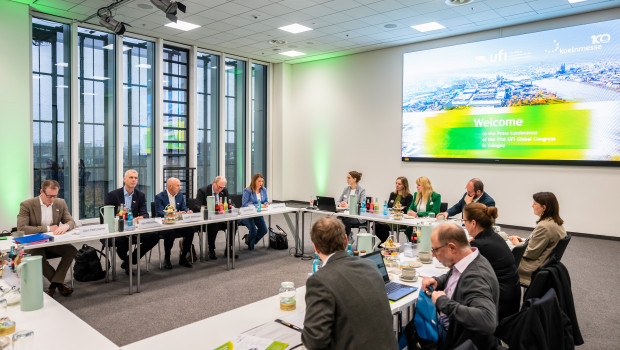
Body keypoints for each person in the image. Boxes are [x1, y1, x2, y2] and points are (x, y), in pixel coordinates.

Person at [302, 217, 397, 350]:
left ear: (316, 248)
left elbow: (314, 342)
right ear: (346, 240)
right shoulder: (371, 266)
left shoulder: (319, 281)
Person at [421, 223, 500, 349]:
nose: (433, 255)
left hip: (460, 341)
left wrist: (443, 303)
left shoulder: (475, 277)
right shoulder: (468, 259)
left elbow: (488, 321)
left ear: (452, 248)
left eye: (435, 250)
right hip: (454, 332)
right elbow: (454, 276)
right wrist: (438, 281)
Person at [17, 180, 77, 297]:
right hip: (35, 243)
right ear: (41, 192)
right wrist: (48, 228)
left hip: (52, 242)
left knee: (71, 250)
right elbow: (22, 228)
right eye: (49, 196)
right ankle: (59, 284)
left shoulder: (60, 203)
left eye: (55, 196)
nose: (52, 199)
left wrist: (66, 225)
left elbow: (71, 221)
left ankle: (54, 284)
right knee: (37, 256)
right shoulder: (27, 205)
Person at [463, 203, 520, 320]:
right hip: (510, 299)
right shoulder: (494, 236)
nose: (464, 224)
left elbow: (458, 266)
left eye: (465, 221)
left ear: (473, 223)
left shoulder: (479, 245)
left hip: (497, 306)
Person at [103, 170, 159, 275]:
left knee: (154, 236)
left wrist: (142, 217)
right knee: (122, 241)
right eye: (131, 177)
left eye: (135, 178)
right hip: (118, 230)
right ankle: (128, 262)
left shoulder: (140, 195)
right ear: (124, 179)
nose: (133, 180)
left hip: (134, 229)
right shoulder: (113, 195)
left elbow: (145, 213)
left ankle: (130, 260)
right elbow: (108, 217)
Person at [509, 192, 567, 286]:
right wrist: (524, 242)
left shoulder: (544, 227)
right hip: (546, 263)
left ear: (544, 207)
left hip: (533, 267)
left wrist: (516, 244)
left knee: (500, 261)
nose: (532, 206)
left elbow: (530, 253)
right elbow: (541, 244)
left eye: (535, 204)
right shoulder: (555, 222)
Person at [154, 177, 195, 269]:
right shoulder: (159, 197)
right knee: (170, 232)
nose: (180, 188)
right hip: (164, 225)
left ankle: (183, 257)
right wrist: (175, 213)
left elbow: (184, 208)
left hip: (177, 224)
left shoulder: (179, 195)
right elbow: (160, 213)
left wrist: (187, 211)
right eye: (178, 185)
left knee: (190, 230)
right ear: (170, 186)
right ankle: (167, 258)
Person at [195, 176, 236, 259]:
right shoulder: (203, 191)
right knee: (214, 224)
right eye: (218, 187)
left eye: (222, 187)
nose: (220, 189)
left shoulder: (224, 190)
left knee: (233, 223)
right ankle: (211, 249)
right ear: (214, 183)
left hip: (222, 218)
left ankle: (229, 249)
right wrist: (206, 207)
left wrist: (231, 207)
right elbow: (196, 206)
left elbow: (231, 203)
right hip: (208, 220)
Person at [375, 176, 413, 243]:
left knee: (383, 227)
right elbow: (388, 206)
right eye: (396, 183)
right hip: (390, 217)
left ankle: (386, 242)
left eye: (399, 184)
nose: (397, 185)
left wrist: (398, 211)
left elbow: (407, 210)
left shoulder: (409, 196)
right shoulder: (393, 194)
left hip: (400, 219)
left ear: (404, 185)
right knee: (375, 225)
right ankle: (385, 241)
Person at [405, 176, 441, 241]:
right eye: (417, 185)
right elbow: (411, 207)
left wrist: (417, 214)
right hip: (416, 222)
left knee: (414, 230)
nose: (416, 187)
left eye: (419, 185)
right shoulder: (416, 194)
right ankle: (414, 247)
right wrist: (409, 211)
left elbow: (434, 212)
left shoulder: (436, 196)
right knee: (409, 230)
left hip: (428, 223)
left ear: (425, 186)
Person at [240, 173, 269, 250]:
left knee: (264, 230)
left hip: (257, 213)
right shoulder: (248, 190)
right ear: (254, 181)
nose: (261, 183)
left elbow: (266, 200)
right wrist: (258, 205)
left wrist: (266, 203)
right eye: (259, 181)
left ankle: (248, 239)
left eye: (262, 181)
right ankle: (251, 244)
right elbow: (244, 204)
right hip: (247, 214)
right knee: (253, 231)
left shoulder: (264, 190)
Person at [336, 171, 366, 240]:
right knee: (337, 220)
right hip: (345, 214)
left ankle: (346, 239)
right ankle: (343, 238)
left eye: (349, 178)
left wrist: (348, 206)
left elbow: (361, 205)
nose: (347, 179)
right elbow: (338, 201)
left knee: (345, 221)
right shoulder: (346, 189)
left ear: (354, 179)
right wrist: (340, 204)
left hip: (356, 216)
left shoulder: (362, 190)